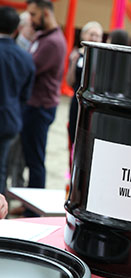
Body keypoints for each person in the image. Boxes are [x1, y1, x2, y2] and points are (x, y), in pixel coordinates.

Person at [21, 0, 66, 217]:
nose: (30, 19)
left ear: (46, 14)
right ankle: (29, 203)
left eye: (33, 14)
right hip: (33, 107)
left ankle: (33, 213)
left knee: (35, 161)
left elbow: (28, 68)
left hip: (40, 109)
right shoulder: (44, 38)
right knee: (30, 159)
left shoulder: (53, 43)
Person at [0, 6, 35, 195]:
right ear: (16, 29)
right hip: (10, 119)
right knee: (1, 167)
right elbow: (25, 95)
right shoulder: (26, 58)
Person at [66, 21, 103, 152]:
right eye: (91, 34)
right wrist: (73, 62)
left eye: (97, 35)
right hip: (76, 102)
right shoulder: (76, 55)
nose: (94, 38)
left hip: (94, 105)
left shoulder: (102, 58)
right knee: (73, 133)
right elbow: (69, 82)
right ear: (83, 35)